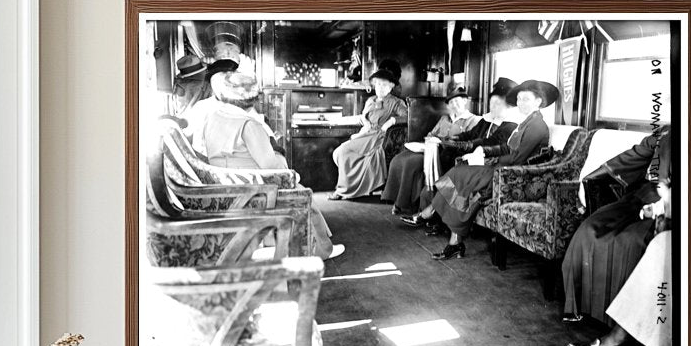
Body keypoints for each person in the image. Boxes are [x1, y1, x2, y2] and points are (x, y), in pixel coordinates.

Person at [184, 69, 341, 259]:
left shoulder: (215, 116)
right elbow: (271, 167)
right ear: (252, 99)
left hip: (227, 180)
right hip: (251, 185)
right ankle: (322, 250)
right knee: (303, 193)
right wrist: (291, 173)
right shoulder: (249, 125)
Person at [401, 79, 557, 261]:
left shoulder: (537, 125)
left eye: (526, 99)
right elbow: (508, 149)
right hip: (503, 167)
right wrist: (485, 152)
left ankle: (434, 219)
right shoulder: (526, 122)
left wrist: (488, 159)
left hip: (511, 175)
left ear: (538, 102)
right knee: (458, 178)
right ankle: (450, 236)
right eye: (520, 99)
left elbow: (517, 158)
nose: (521, 103)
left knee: (459, 178)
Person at [562, 125, 672, 334]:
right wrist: (591, 177)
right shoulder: (665, 132)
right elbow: (635, 154)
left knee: (632, 241)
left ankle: (626, 330)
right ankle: (583, 309)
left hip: (671, 207)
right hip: (640, 197)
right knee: (589, 229)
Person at [380, 87, 480, 216]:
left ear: (465, 101)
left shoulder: (473, 120)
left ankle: (403, 204)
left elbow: (468, 142)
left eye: (457, 101)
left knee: (411, 163)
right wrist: (431, 139)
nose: (454, 105)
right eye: (451, 103)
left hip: (443, 154)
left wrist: (441, 142)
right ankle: (396, 199)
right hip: (429, 148)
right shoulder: (445, 118)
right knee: (399, 158)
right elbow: (430, 133)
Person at [329, 59, 408, 200]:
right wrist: (364, 121)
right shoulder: (370, 100)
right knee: (342, 151)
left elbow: (409, 117)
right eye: (378, 84)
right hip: (366, 134)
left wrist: (392, 120)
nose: (380, 87)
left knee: (352, 154)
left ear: (391, 87)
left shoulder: (397, 103)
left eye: (384, 85)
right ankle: (344, 187)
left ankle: (342, 191)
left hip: (381, 138)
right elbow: (365, 116)